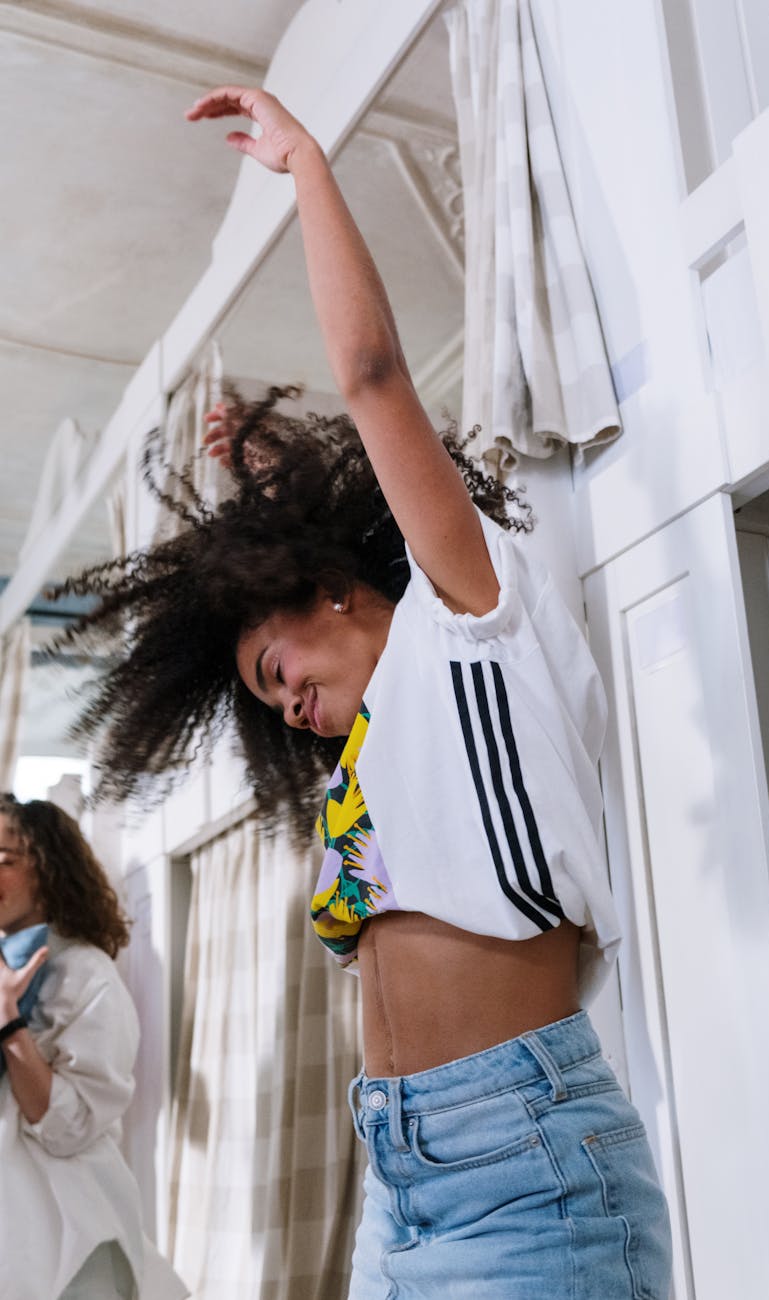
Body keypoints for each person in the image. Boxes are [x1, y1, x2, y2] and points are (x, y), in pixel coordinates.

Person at [59, 87, 672, 1297]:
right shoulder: (369, 766)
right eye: (265, 697)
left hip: (527, 1161)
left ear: (329, 588)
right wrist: (267, 470)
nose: (284, 704)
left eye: (273, 669)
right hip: (402, 1174)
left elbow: (375, 376)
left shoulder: (470, 622)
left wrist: (305, 167)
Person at [0, 794, 188, 1300]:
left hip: (70, 1236)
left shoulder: (86, 977)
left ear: (49, 867)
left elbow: (69, 1127)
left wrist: (10, 1026)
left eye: (3, 860)